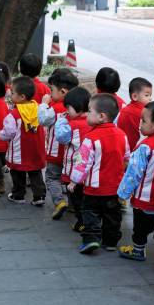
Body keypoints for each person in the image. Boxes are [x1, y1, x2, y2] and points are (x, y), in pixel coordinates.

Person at [117, 101, 154, 270]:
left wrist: (123, 194)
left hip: (144, 199)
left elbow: (133, 173)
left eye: (143, 120)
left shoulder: (146, 146)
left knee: (140, 229)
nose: (139, 123)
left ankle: (138, 250)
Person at [68, 94, 130, 254]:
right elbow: (127, 158)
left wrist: (74, 180)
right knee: (112, 215)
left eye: (89, 111)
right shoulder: (122, 135)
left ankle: (91, 239)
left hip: (93, 189)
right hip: (114, 187)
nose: (87, 114)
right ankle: (110, 240)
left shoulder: (90, 138)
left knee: (90, 214)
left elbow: (82, 163)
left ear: (101, 116)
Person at [0, 77, 47, 205]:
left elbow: (9, 132)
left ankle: (18, 195)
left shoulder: (14, 115)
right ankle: (39, 196)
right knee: (35, 172)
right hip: (36, 149)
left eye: (13, 93)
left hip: (19, 151)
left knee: (17, 173)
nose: (10, 94)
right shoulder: (38, 109)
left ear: (22, 97)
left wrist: (1, 135)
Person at [39, 69, 79, 214]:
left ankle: (59, 201)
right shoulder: (78, 108)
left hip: (55, 152)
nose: (50, 93)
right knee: (69, 180)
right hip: (71, 154)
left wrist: (43, 104)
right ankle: (74, 205)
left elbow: (42, 120)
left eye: (52, 90)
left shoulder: (54, 108)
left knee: (51, 177)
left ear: (62, 91)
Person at [55, 87, 93, 230]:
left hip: (75, 168)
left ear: (77, 107)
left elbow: (61, 137)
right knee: (87, 196)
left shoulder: (72, 125)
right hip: (89, 169)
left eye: (68, 108)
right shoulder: (92, 122)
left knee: (77, 197)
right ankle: (88, 220)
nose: (67, 111)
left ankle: (82, 221)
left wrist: (61, 121)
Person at [117, 77, 153, 151]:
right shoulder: (143, 113)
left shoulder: (125, 109)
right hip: (134, 148)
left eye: (150, 95)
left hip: (121, 145)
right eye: (147, 95)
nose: (150, 98)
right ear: (135, 96)